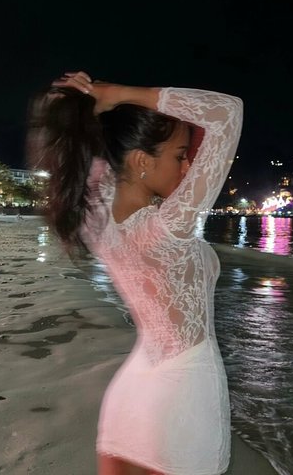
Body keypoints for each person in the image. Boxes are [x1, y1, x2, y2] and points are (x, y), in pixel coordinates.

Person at [27, 71, 243, 475]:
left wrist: (85, 102)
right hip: (185, 400)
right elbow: (229, 112)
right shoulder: (167, 228)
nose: (188, 166)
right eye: (180, 155)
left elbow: (69, 138)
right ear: (143, 161)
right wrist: (120, 94)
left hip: (131, 400)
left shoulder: (95, 217)